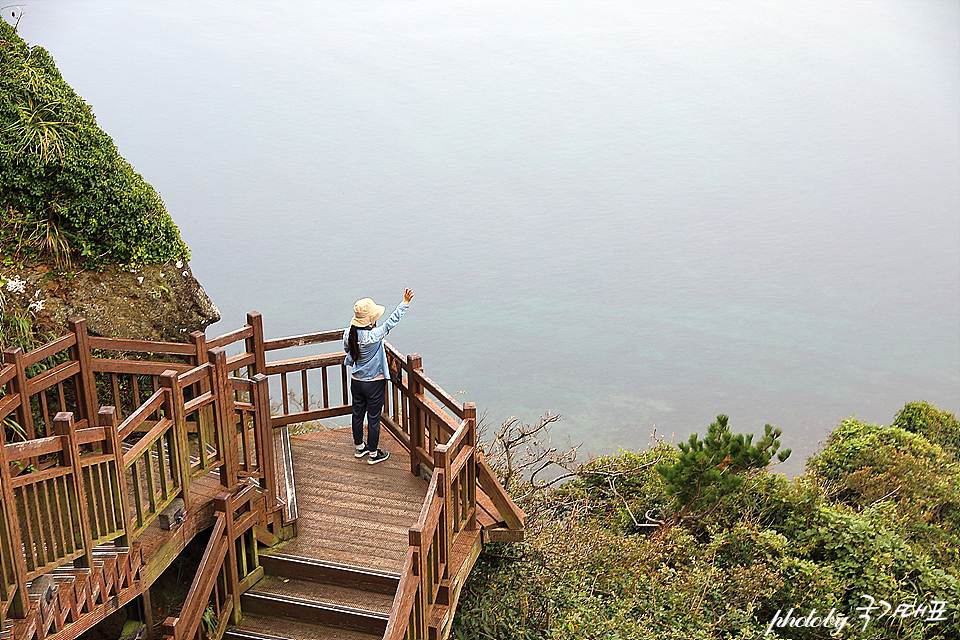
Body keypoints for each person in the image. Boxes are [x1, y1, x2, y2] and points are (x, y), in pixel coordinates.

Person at [343, 288, 414, 464]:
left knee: (357, 414)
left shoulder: (348, 334)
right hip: (374, 384)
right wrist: (404, 303)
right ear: (371, 319)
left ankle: (360, 448)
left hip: (356, 381)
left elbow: (348, 351)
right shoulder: (373, 336)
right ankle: (374, 454)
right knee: (373, 419)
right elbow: (390, 323)